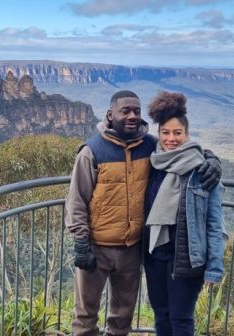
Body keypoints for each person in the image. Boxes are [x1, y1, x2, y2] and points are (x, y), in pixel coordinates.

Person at [65, 90, 222, 336]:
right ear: (110, 114)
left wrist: (212, 160)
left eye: (136, 111)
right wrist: (82, 243)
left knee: (122, 316)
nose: (131, 116)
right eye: (125, 110)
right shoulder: (91, 151)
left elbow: (184, 153)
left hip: (132, 249)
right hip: (97, 246)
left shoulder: (150, 146)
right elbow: (76, 200)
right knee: (85, 316)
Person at [143, 91, 226, 336]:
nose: (171, 138)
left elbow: (214, 223)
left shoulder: (202, 170)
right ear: (158, 135)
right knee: (162, 317)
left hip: (187, 259)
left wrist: (214, 267)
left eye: (177, 133)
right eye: (166, 132)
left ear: (187, 134)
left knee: (180, 320)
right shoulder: (153, 162)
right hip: (154, 256)